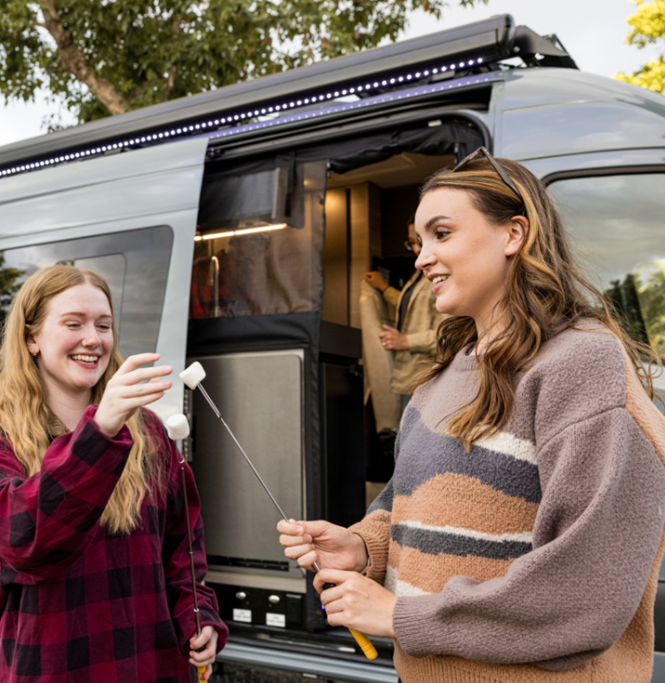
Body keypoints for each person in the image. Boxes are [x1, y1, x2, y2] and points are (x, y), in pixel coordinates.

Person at [278, 149, 665, 682]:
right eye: (419, 242)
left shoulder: (580, 363)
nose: (420, 259)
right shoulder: (436, 384)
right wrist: (363, 547)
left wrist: (398, 614)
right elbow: (410, 514)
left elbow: (584, 589)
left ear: (513, 234)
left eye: (441, 234)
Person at [0, 265, 227, 683]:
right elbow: (27, 542)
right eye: (73, 324)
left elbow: (182, 545)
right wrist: (99, 433)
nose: (93, 339)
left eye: (103, 325)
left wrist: (198, 613)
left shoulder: (148, 430)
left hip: (151, 665)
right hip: (55, 668)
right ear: (32, 339)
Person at [362, 219, 446, 406]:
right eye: (412, 242)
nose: (416, 249)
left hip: (432, 377)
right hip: (413, 376)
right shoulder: (421, 273)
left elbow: (453, 333)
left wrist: (407, 341)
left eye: (419, 241)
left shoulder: (442, 274)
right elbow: (412, 307)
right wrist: (384, 289)